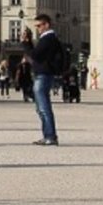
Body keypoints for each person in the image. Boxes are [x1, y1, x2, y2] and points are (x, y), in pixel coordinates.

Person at [22, 14, 61, 146]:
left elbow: (35, 55)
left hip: (43, 75)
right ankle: (48, 135)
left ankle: (50, 136)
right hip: (43, 74)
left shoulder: (48, 38)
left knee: (44, 108)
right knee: (41, 108)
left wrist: (26, 43)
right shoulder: (49, 38)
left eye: (39, 26)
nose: (37, 29)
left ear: (46, 25)